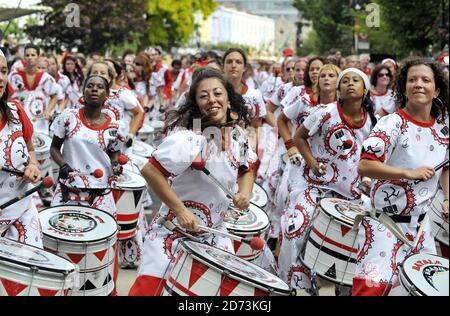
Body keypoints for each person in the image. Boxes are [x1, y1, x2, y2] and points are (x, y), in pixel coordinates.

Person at [128, 68, 255, 296]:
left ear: (228, 99)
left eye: (217, 93)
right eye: (203, 96)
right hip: (173, 234)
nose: (212, 100)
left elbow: (246, 170)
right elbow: (150, 171)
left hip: (215, 235)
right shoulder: (188, 138)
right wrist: (180, 210)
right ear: (197, 105)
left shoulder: (239, 137)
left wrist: (244, 193)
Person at [353, 57, 449, 296]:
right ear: (403, 88)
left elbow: (446, 167)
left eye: (426, 80)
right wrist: (408, 173)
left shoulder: (443, 131)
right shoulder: (391, 123)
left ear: (436, 89)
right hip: (384, 226)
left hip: (421, 230)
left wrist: (447, 198)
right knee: (372, 291)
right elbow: (365, 165)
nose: (419, 84)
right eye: (412, 80)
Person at [283, 68, 377, 295]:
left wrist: (366, 178)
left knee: (353, 243)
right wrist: (313, 163)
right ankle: (297, 288)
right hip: (314, 186)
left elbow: (371, 155)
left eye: (356, 80)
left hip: (348, 194)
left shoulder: (373, 121)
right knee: (298, 230)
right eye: (345, 81)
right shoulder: (324, 112)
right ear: (339, 89)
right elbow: (299, 137)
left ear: (365, 90)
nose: (350, 84)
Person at [277, 64, 342, 289]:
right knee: (294, 225)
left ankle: (323, 285)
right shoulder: (304, 101)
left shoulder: (346, 109)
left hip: (336, 184)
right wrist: (291, 147)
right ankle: (290, 282)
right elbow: (282, 120)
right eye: (320, 73)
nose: (323, 77)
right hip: (302, 173)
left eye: (330, 75)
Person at [50, 75, 124, 215]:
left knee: (101, 233)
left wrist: (115, 164)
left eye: (100, 87)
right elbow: (54, 148)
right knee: (59, 232)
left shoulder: (114, 126)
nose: (94, 90)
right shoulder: (68, 117)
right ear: (83, 92)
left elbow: (114, 151)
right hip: (68, 188)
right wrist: (63, 165)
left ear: (107, 95)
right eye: (90, 86)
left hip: (100, 190)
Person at [0, 49, 43, 247]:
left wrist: (32, 166)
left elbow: (30, 149)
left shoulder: (16, 111)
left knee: (28, 273)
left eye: (3, 71)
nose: (1, 78)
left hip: (23, 209)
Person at [8, 44, 59, 134]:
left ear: (38, 57)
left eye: (33, 55)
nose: (30, 58)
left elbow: (54, 97)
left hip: (39, 125)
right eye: (27, 55)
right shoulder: (14, 75)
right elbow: (6, 94)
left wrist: (48, 111)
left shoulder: (47, 78)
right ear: (24, 57)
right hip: (18, 124)